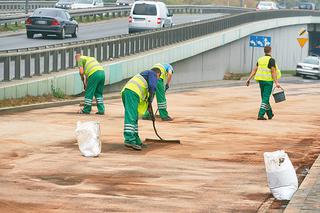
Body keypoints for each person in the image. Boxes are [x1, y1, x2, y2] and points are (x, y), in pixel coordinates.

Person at [121, 68, 161, 150]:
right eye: (158, 77)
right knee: (131, 116)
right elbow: (152, 86)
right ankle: (129, 139)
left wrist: (148, 106)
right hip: (131, 92)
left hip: (131, 93)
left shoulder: (146, 77)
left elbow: (145, 98)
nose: (158, 79)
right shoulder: (152, 73)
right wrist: (151, 97)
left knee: (134, 116)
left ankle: (136, 140)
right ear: (157, 74)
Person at [246, 46, 281, 120]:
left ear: (264, 51)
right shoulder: (271, 60)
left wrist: (248, 79)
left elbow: (254, 70)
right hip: (268, 81)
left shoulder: (260, 59)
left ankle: (270, 114)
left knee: (264, 98)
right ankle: (260, 115)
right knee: (265, 98)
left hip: (261, 81)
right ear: (270, 51)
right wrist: (276, 82)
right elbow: (273, 72)